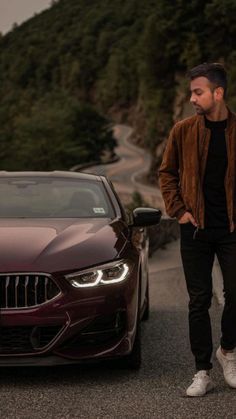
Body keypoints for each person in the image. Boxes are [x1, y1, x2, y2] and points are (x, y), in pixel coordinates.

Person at [159, 62, 236, 397]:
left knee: (235, 294)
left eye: (198, 92)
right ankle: (202, 370)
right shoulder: (183, 130)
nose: (192, 98)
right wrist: (179, 211)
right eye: (191, 91)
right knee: (199, 301)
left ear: (218, 93)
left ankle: (228, 352)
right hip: (195, 230)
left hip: (231, 228)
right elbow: (167, 173)